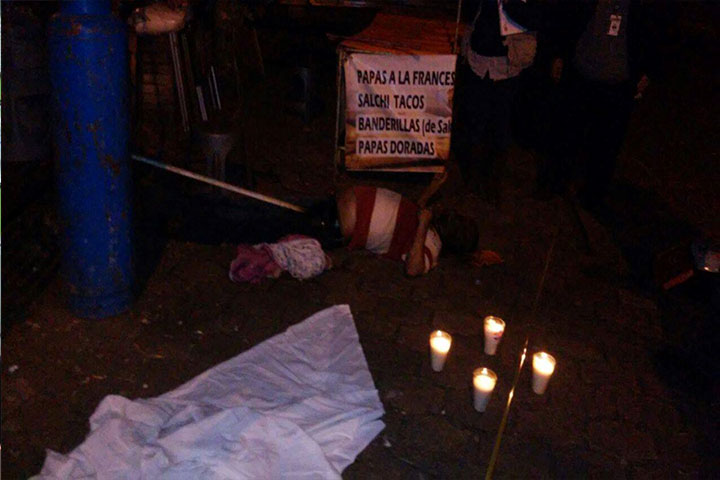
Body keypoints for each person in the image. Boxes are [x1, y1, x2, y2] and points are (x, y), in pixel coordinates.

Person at [535, 0, 659, 209]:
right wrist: (558, 55)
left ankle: (593, 195)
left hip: (619, 84)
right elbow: (565, 21)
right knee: (567, 135)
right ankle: (555, 182)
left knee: (606, 146)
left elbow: (653, 32)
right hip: (582, 75)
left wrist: (647, 71)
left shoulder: (642, 6)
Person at [453, 0, 540, 204]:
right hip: (478, 62)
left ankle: (492, 182)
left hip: (507, 66)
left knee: (500, 128)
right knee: (474, 122)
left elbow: (534, 18)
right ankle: (472, 179)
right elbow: (469, 11)